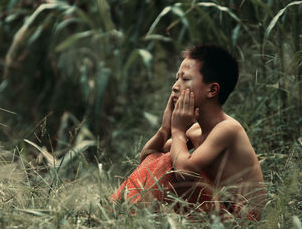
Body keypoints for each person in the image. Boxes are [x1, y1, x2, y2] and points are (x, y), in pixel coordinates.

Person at [111, 44, 265, 220]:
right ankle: (120, 211)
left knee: (174, 163)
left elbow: (184, 172)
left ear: (212, 90)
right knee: (164, 159)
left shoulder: (228, 128)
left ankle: (122, 215)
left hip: (242, 218)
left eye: (185, 79)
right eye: (177, 78)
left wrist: (177, 131)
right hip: (219, 208)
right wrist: (165, 129)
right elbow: (148, 158)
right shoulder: (195, 130)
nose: (175, 86)